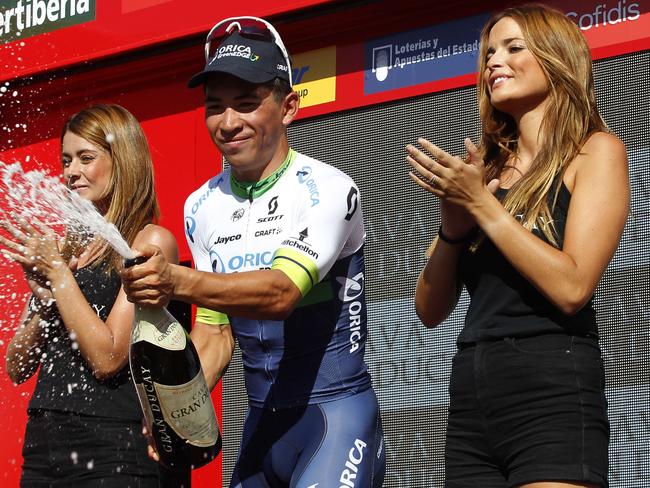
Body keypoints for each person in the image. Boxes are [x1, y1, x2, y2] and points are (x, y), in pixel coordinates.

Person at [120, 16, 386, 488]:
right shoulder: (201, 206)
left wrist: (176, 281)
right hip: (262, 427)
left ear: (288, 107)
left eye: (246, 104)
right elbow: (217, 335)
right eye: (215, 106)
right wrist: (177, 405)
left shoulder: (327, 189)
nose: (227, 123)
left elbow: (280, 293)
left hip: (335, 417)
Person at [407, 4, 629, 488]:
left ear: (557, 58)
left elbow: (573, 286)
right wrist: (453, 224)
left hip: (551, 387)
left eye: (512, 48)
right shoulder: (484, 171)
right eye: (488, 53)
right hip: (472, 391)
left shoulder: (595, 152)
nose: (493, 62)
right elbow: (427, 310)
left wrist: (484, 209)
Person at [1, 104, 179, 487]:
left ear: (123, 161)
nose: (71, 172)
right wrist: (47, 297)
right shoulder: (65, 248)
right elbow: (16, 367)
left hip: (114, 445)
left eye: (86, 158)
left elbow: (108, 357)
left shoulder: (147, 242)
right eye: (66, 160)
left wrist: (59, 275)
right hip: (43, 445)